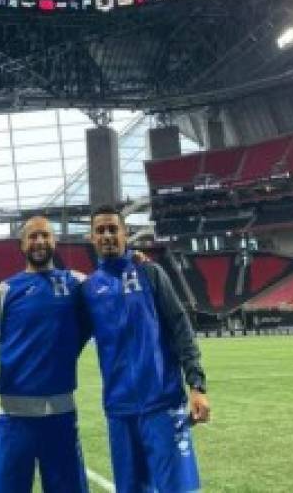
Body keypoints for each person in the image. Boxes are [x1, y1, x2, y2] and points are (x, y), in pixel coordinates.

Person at [82, 203, 211, 493]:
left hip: (163, 404)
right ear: (91, 238)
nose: (106, 236)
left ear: (125, 234)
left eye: (112, 229)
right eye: (100, 230)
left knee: (177, 489)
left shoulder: (149, 273)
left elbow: (180, 327)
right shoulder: (88, 290)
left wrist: (197, 385)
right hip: (119, 411)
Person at [0, 216, 89, 493]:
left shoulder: (77, 283)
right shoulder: (5, 291)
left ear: (54, 241)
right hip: (14, 419)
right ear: (21, 245)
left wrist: (135, 263)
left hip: (61, 416)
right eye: (33, 236)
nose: (40, 241)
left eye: (45, 235)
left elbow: (111, 288)